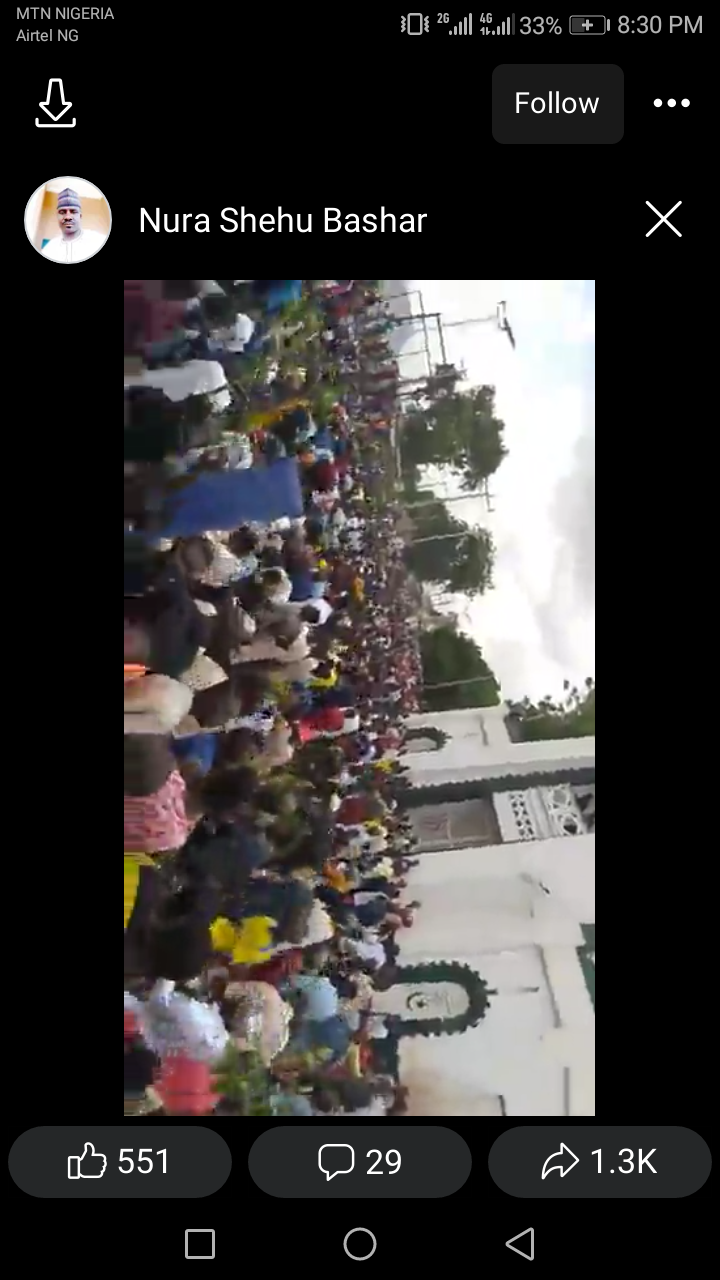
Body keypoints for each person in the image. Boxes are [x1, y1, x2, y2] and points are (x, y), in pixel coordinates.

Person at [40, 188, 107, 263]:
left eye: (73, 211)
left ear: (80, 216)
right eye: (62, 212)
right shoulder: (49, 249)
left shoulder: (99, 241)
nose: (68, 217)